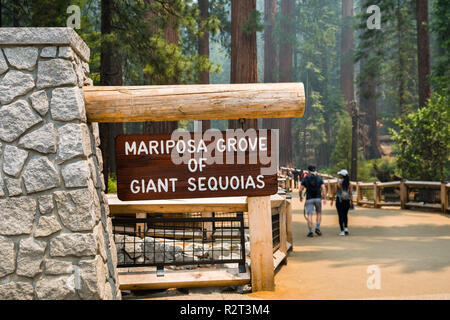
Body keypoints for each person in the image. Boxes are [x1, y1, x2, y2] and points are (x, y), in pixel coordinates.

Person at [299, 165, 327, 237]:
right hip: (318, 198)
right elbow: (323, 189)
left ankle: (310, 231)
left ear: (308, 171)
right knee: (318, 213)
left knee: (309, 215)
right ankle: (317, 228)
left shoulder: (306, 179)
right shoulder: (319, 178)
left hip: (309, 198)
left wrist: (301, 197)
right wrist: (324, 198)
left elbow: (300, 189)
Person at [331, 169, 353, 236]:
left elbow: (334, 192)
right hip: (347, 201)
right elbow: (351, 193)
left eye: (340, 174)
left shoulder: (337, 183)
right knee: (345, 215)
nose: (339, 175)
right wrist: (352, 201)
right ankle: (346, 228)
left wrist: (332, 200)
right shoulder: (350, 184)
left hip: (340, 201)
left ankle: (342, 231)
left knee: (340, 215)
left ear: (342, 176)